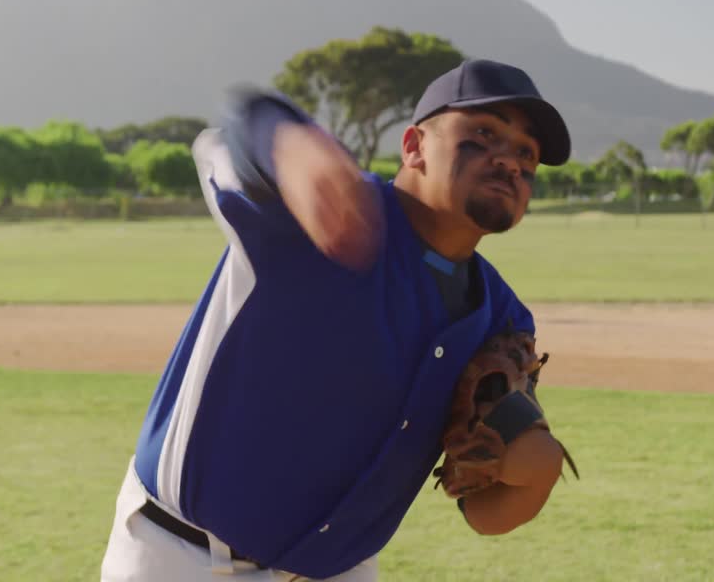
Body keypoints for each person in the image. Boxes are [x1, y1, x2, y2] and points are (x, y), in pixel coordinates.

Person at [100, 59, 573, 581]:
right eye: (484, 134)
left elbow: (484, 512)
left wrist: (532, 473)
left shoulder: (500, 318)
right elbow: (224, 141)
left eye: (526, 154)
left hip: (340, 570)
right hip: (182, 558)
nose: (509, 160)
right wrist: (286, 145)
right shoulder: (318, 209)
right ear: (414, 146)